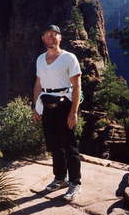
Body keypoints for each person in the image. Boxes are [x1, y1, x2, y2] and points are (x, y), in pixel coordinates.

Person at [33, 24, 82, 201]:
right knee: (54, 145)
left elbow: (77, 86)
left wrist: (73, 112)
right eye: (47, 35)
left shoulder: (69, 58)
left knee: (70, 145)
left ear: (60, 38)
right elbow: (38, 84)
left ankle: (75, 183)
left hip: (64, 105)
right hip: (47, 106)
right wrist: (36, 107)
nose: (51, 37)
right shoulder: (40, 59)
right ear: (43, 38)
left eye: (54, 35)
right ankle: (60, 178)